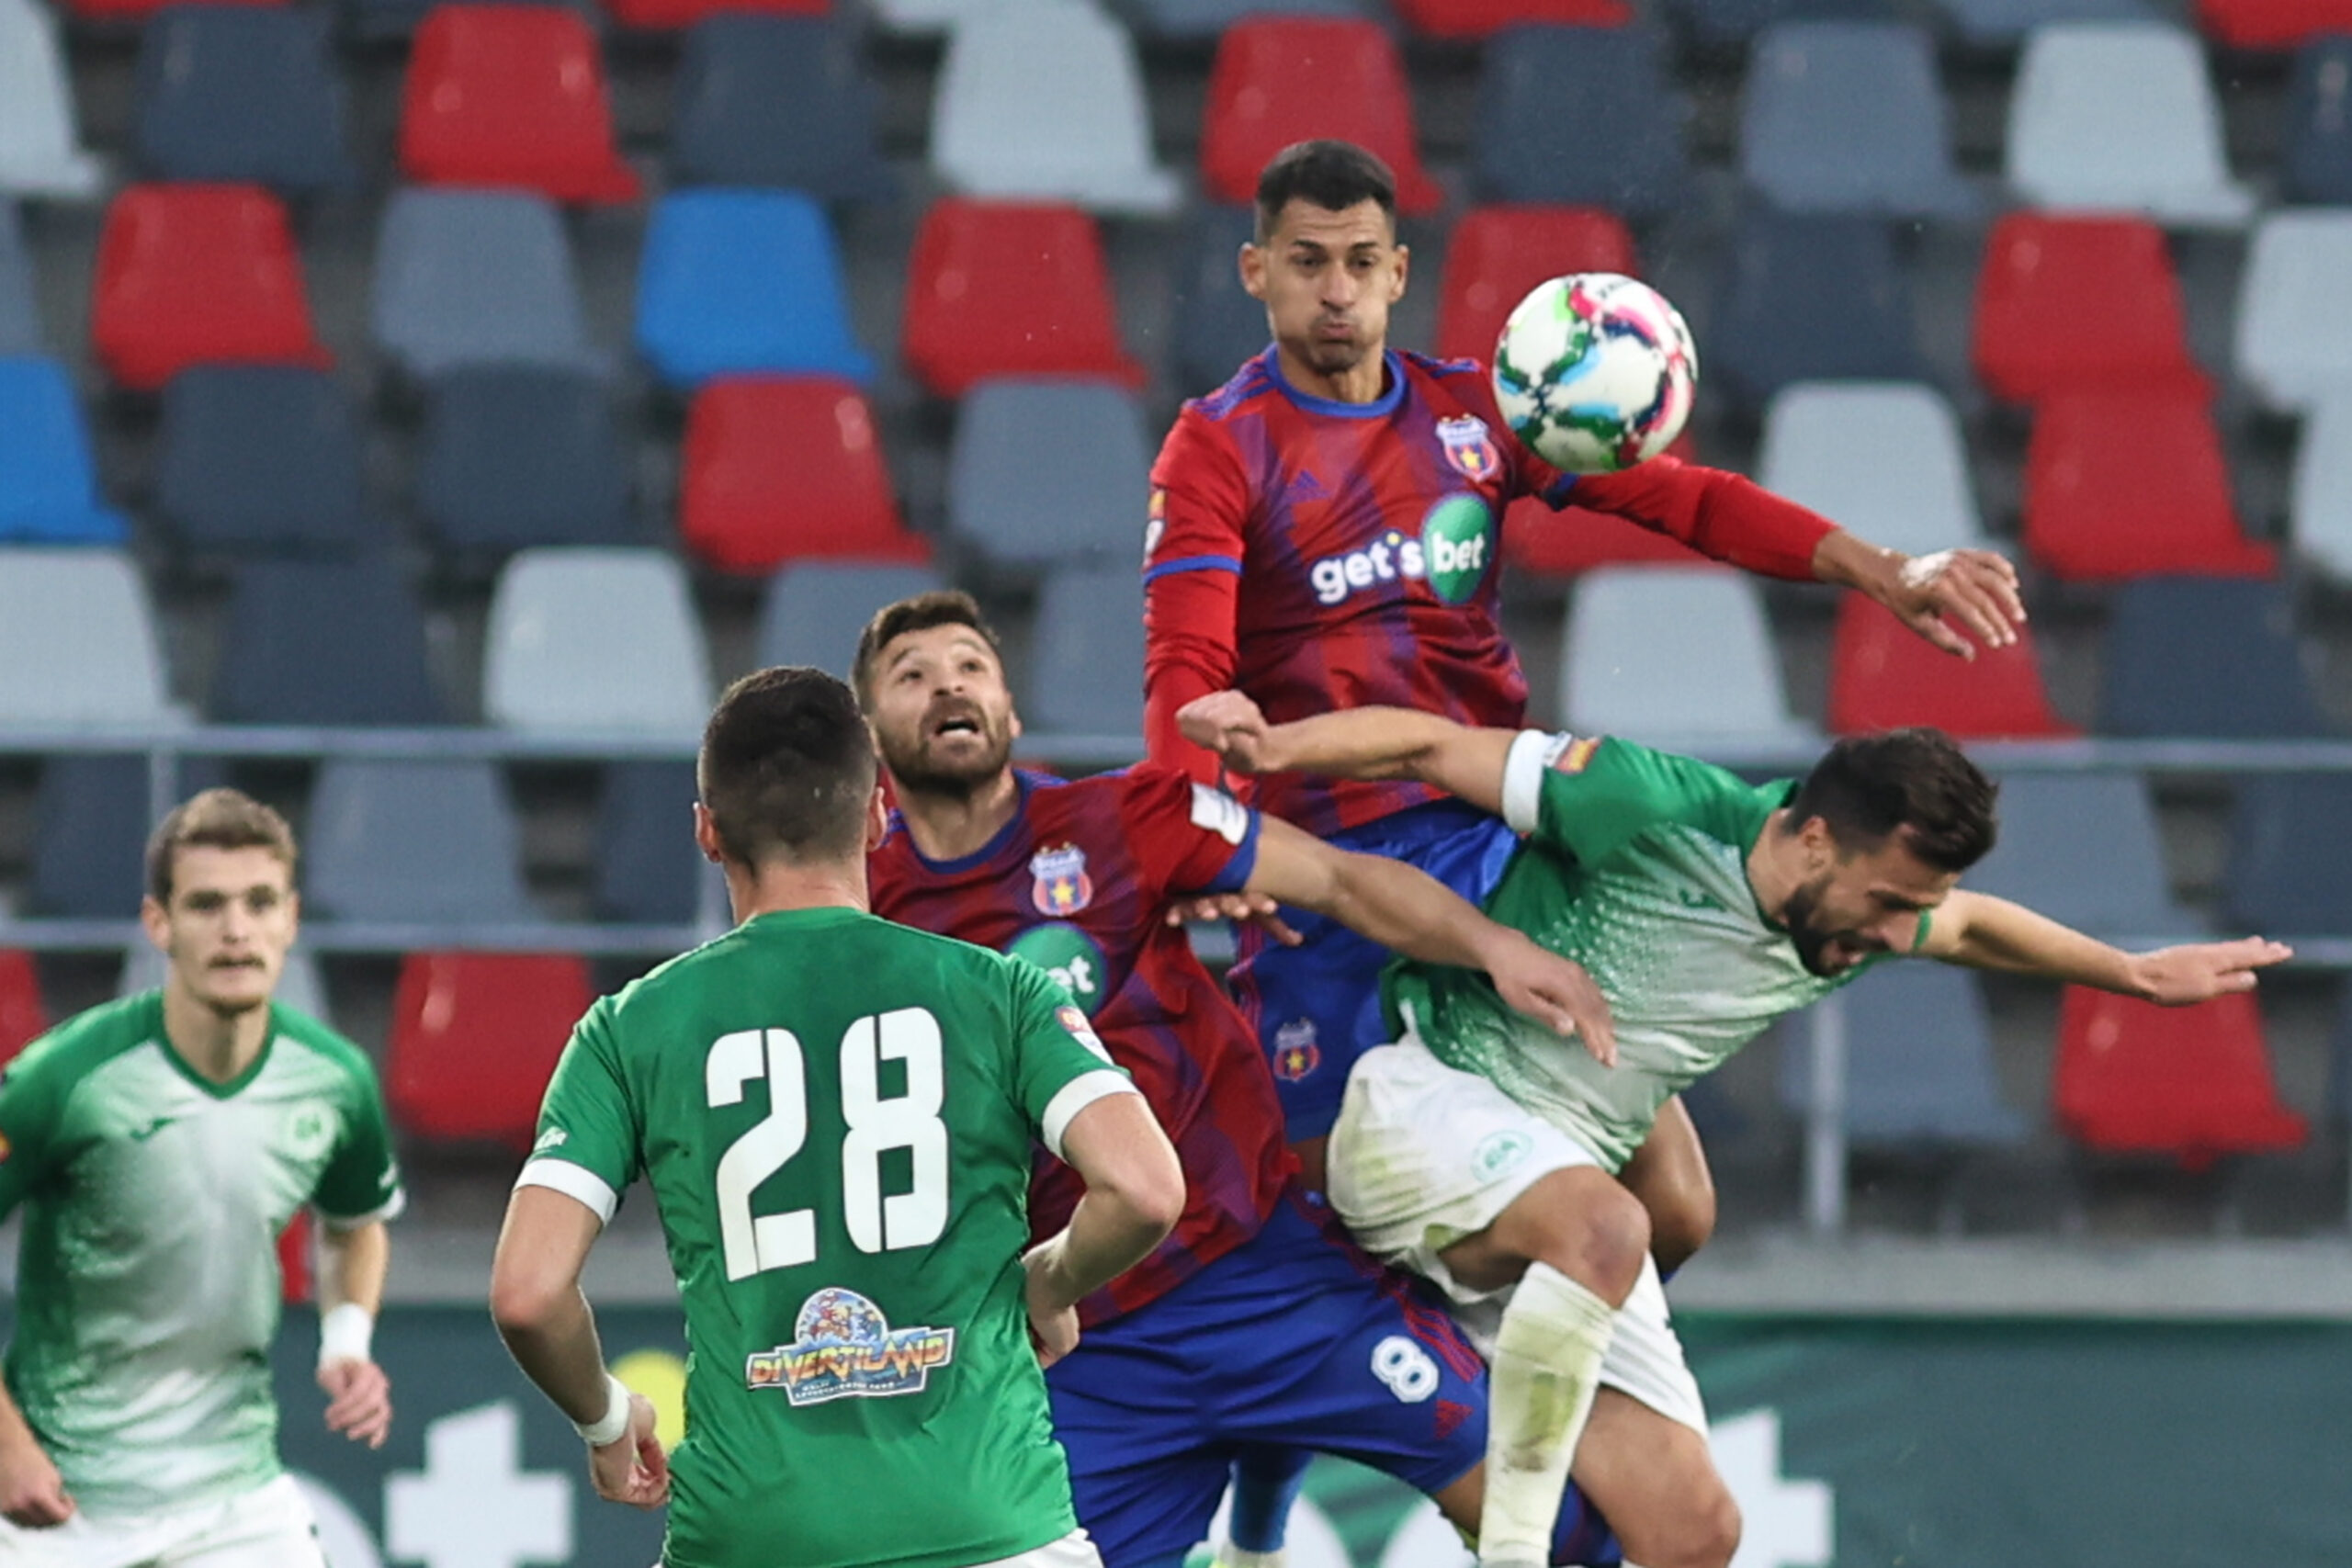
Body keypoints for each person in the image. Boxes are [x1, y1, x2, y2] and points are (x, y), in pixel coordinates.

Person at [1144, 134, 2031, 1563]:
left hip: (1507, 853)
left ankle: (1507, 1376)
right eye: (1305, 263)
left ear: (1399, 272)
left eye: (1362, 264)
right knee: (1315, 1238)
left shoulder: (1481, 413)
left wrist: (1883, 566)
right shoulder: (1219, 445)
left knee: (1672, 1201)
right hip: (1331, 882)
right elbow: (1184, 677)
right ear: (1257, 271)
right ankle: (1265, 1498)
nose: (1335, 294)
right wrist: (1213, 830)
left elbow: (1676, 496)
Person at [1181, 690, 2292, 1568]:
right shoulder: (1650, 805)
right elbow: (1429, 748)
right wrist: (1274, 749)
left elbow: (1973, 926)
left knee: (1695, 1532)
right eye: (1889, 901)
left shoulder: (1861, 911)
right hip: (1434, 1100)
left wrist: (2131, 973)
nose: (1904, 931)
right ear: (1811, 843)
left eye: (1917, 905)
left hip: (1559, 1172)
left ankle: (1434, 1375)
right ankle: (1507, 1550)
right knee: (1613, 1227)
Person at [854, 592, 1623, 1568]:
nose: (945, 686)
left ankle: (1257, 1538)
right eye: (910, 677)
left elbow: (1341, 882)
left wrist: (1494, 948)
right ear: (873, 734)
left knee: (1559, 1533)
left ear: (1009, 709)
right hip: (1081, 1345)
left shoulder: (1126, 818)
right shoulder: (864, 910)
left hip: (1268, 1276)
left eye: (969, 665)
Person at [489, 667, 1187, 1568]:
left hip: (752, 1536)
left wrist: (607, 1418)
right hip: (992, 1526)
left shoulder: (629, 1032)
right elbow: (1143, 1189)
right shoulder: (998, 992)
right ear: (875, 818)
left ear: (707, 832)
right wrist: (1044, 1284)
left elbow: (528, 1293)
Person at [0, 788, 402, 1566]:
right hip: (60, 1507)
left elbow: (355, 1225)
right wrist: (4, 1442)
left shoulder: (335, 1080)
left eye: (259, 902)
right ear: (160, 924)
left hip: (236, 1508)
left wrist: (346, 1337)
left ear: (290, 918)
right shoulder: (65, 1078)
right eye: (207, 904)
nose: (235, 929)